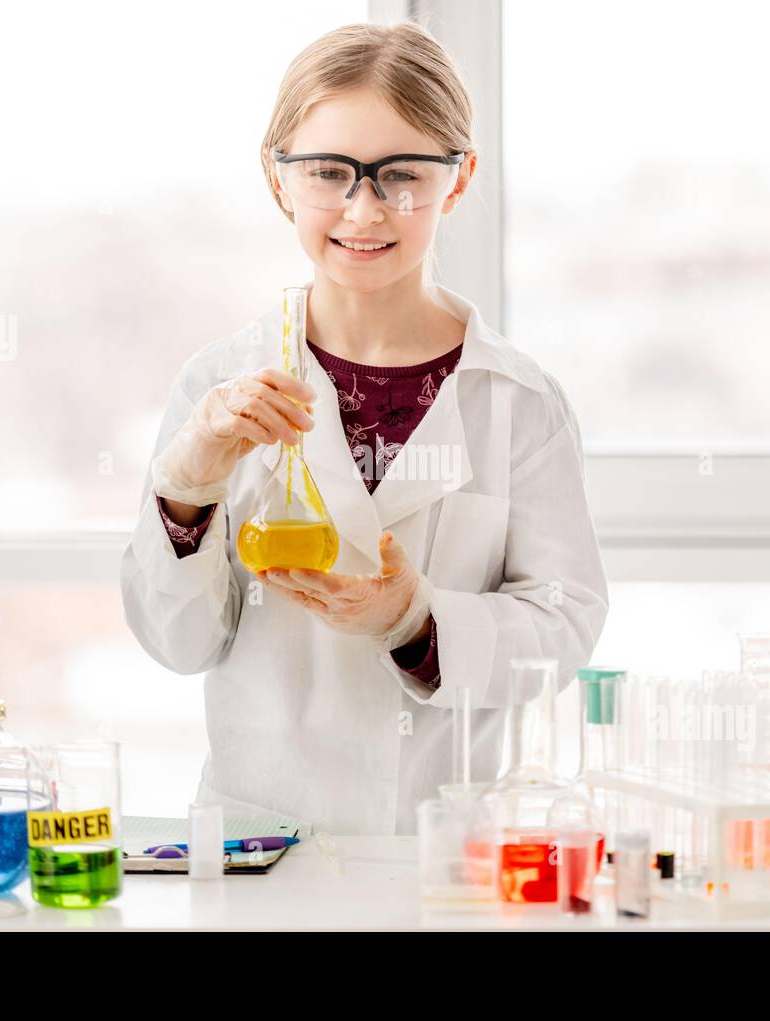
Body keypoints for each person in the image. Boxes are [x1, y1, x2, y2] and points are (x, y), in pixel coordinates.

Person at [121, 22, 609, 834]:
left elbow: (563, 621)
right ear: (279, 180)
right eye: (329, 172)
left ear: (459, 181)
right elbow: (178, 642)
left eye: (403, 174)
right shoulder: (216, 388)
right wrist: (186, 490)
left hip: (446, 847)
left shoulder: (519, 402)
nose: (365, 208)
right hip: (258, 847)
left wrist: (415, 620)